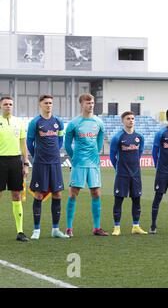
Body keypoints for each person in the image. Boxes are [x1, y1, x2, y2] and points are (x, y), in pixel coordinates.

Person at [64, 93, 108, 237]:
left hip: (93, 163)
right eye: (88, 103)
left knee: (96, 192)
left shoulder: (98, 122)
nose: (91, 105)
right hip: (79, 163)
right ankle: (69, 228)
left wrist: (95, 155)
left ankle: (97, 228)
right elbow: (67, 145)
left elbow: (100, 141)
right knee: (73, 193)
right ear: (81, 104)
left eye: (92, 102)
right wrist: (75, 158)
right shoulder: (74, 123)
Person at [27, 94, 68, 239]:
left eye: (50, 103)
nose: (49, 105)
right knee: (38, 194)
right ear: (40, 105)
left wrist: (54, 152)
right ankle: (36, 230)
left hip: (55, 163)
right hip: (40, 163)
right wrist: (37, 155)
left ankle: (55, 230)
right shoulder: (35, 122)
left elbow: (61, 139)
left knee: (57, 194)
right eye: (46, 103)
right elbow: (29, 143)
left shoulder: (58, 122)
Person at [110, 111, 147, 236]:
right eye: (128, 118)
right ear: (123, 121)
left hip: (136, 174)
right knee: (118, 200)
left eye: (132, 118)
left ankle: (135, 226)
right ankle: (116, 227)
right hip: (122, 174)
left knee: (136, 199)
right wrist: (118, 169)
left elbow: (140, 153)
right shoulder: (118, 137)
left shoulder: (140, 137)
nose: (131, 120)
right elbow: (112, 156)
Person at [0, 96, 30, 241]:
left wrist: (25, 163)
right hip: (0, 160)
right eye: (5, 104)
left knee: (17, 195)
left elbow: (23, 144)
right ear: (1, 106)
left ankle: (20, 231)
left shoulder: (19, 122)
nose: (8, 106)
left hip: (15, 161)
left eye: (10, 104)